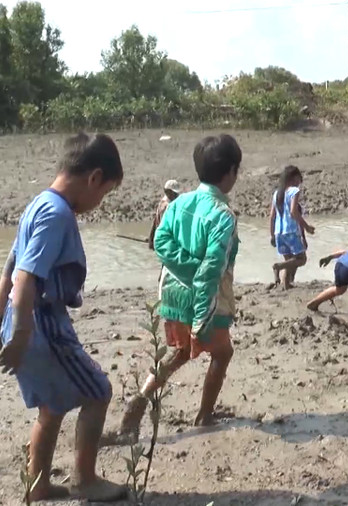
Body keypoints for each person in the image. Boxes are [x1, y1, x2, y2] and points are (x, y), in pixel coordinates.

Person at [0, 132, 127, 502]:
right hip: (41, 324)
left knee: (50, 408)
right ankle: (85, 480)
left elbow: (9, 266)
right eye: (105, 194)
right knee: (99, 391)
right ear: (94, 178)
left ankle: (37, 488)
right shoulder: (57, 214)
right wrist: (20, 332)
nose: (100, 202)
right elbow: (26, 276)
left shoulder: (38, 203)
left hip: (22, 319)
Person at [115, 134, 241, 443]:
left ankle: (141, 397)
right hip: (205, 300)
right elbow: (211, 271)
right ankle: (205, 415)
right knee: (223, 354)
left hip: (172, 293)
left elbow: (161, 242)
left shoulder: (178, 203)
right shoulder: (223, 216)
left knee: (181, 353)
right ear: (231, 172)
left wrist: (185, 265)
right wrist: (201, 317)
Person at [269, 165, 315, 290]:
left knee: (289, 260)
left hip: (279, 232)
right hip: (291, 230)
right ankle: (278, 266)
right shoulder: (294, 192)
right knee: (301, 259)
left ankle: (286, 284)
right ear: (294, 178)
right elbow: (294, 211)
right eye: (299, 180)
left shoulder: (277, 194)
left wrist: (272, 234)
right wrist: (307, 227)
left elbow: (272, 216)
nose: (299, 183)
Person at [148, 179, 182, 249]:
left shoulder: (162, 203)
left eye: (177, 193)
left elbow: (155, 223)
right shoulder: (167, 206)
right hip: (166, 244)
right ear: (167, 192)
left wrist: (151, 240)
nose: (176, 195)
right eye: (174, 193)